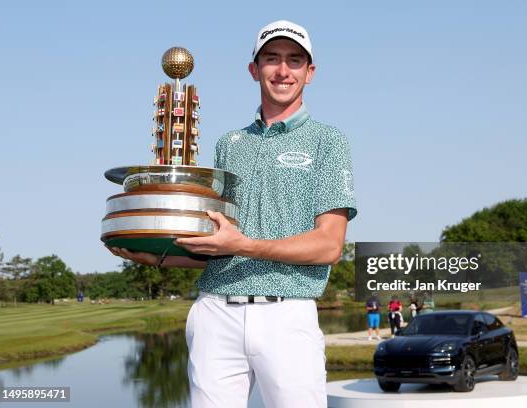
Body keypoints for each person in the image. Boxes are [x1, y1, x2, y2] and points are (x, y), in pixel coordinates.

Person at [107, 20, 356, 408]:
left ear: (310, 73)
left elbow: (328, 245)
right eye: (271, 59)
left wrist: (245, 245)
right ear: (254, 70)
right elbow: (221, 247)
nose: (283, 70)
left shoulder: (328, 141)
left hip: (286, 313)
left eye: (294, 60)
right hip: (215, 312)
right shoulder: (230, 144)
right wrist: (155, 255)